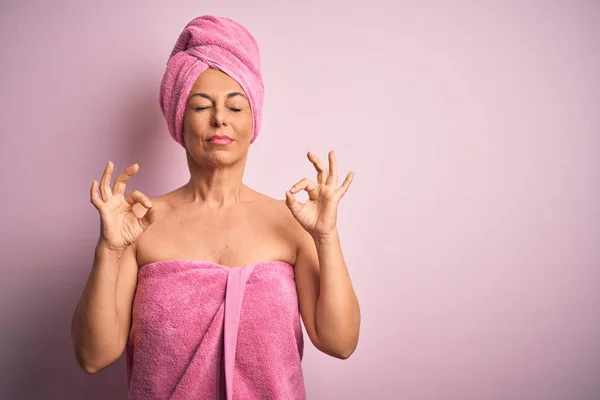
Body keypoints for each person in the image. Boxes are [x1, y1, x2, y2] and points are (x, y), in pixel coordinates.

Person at [71, 15, 360, 399]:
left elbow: (339, 343)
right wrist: (108, 251)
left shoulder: (293, 224)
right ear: (180, 120)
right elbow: (93, 356)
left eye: (235, 107)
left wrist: (326, 237)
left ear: (252, 120)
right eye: (201, 105)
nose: (219, 118)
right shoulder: (138, 224)